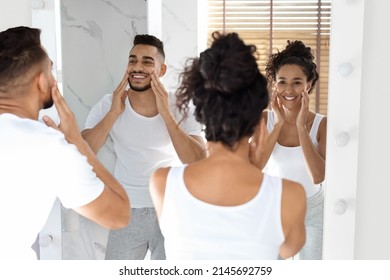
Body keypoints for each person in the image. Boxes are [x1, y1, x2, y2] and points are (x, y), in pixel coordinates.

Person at [149, 32, 306, 260]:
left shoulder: (162, 182)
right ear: (259, 127)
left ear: (202, 114)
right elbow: (287, 250)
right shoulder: (290, 196)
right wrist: (253, 169)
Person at [0, 26, 130, 260]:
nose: (53, 79)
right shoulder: (49, 148)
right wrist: (77, 143)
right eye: (51, 70)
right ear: (41, 82)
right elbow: (119, 215)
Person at [81, 34, 206, 260]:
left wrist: (167, 115)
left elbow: (198, 160)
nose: (137, 66)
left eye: (147, 61)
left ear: (162, 69)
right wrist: (113, 114)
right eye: (132, 60)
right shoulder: (109, 103)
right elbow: (82, 153)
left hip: (171, 210)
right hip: (127, 211)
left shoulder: (181, 106)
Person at [262, 40, 327, 260]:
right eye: (282, 82)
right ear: (274, 85)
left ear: (308, 84)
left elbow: (318, 175)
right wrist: (278, 125)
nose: (288, 90)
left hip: (313, 210)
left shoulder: (322, 124)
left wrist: (301, 126)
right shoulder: (265, 120)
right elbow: (255, 166)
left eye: (297, 82)